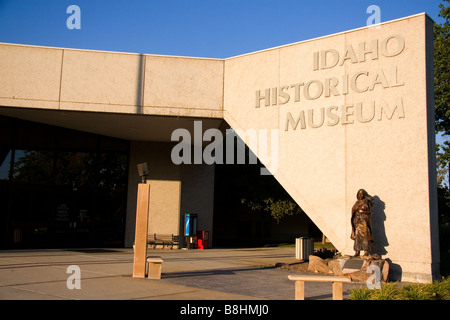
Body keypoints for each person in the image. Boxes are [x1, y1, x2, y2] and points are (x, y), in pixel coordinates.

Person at [350, 189, 374, 257]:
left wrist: (363, 212)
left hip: (364, 220)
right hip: (357, 221)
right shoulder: (357, 202)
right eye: (359, 194)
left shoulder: (366, 202)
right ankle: (357, 251)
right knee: (357, 236)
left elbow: (370, 212)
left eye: (362, 194)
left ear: (364, 195)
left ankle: (366, 251)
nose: (360, 195)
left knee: (365, 236)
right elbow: (353, 210)